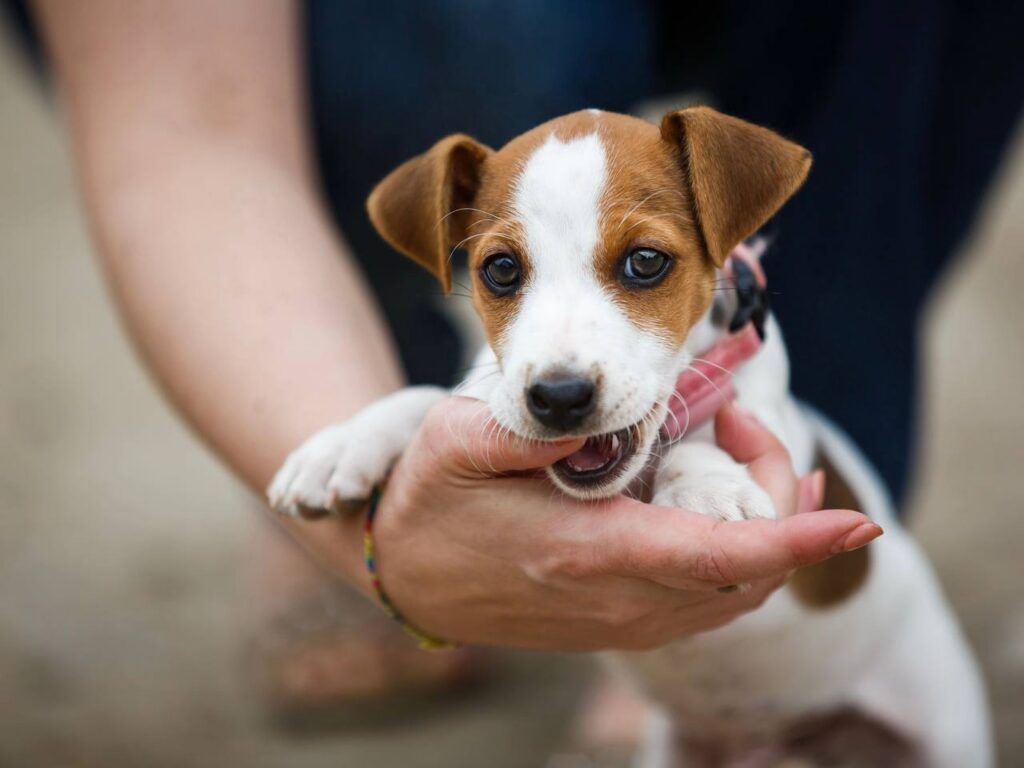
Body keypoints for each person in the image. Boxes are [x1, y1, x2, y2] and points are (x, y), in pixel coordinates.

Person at [16, 0, 1021, 710]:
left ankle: (729, 567)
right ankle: (393, 525)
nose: (560, 362)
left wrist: (697, 463)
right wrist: (380, 458)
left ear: (730, 238)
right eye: (505, 273)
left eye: (639, 264)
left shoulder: (733, 258)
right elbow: (188, 135)